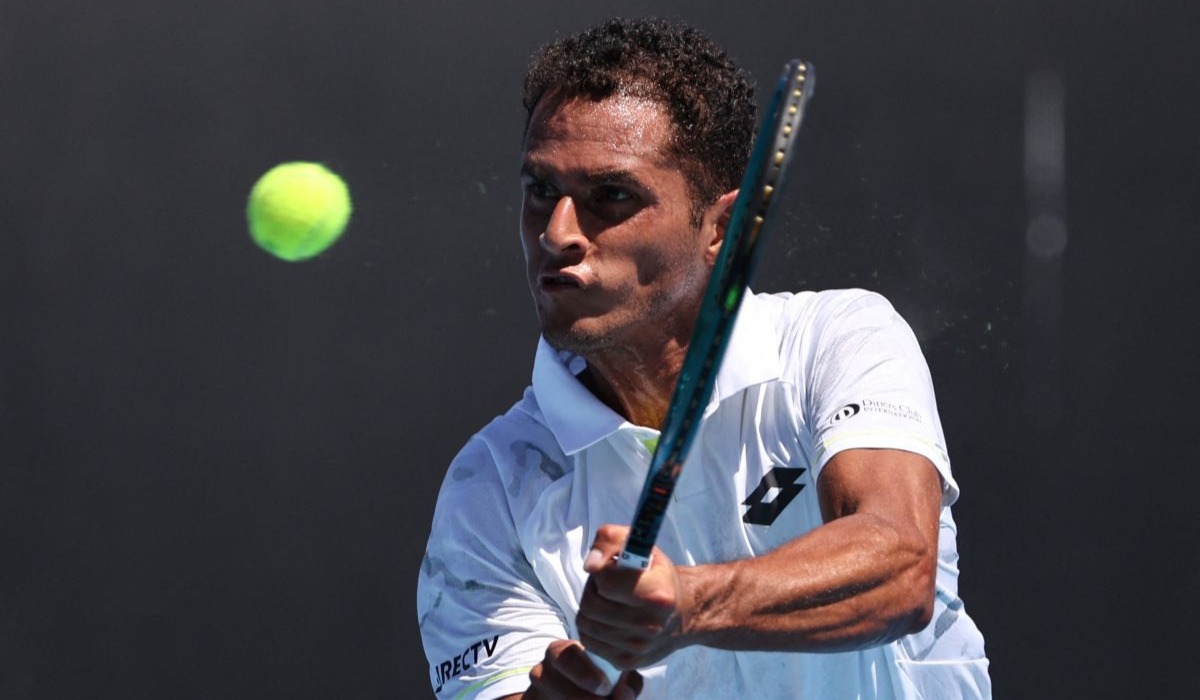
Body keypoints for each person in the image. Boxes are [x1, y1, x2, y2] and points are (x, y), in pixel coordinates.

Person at [417, 17, 991, 700]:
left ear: (717, 226)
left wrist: (691, 602)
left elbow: (899, 567)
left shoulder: (839, 338)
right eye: (541, 189)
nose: (558, 232)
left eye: (613, 196)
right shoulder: (493, 484)